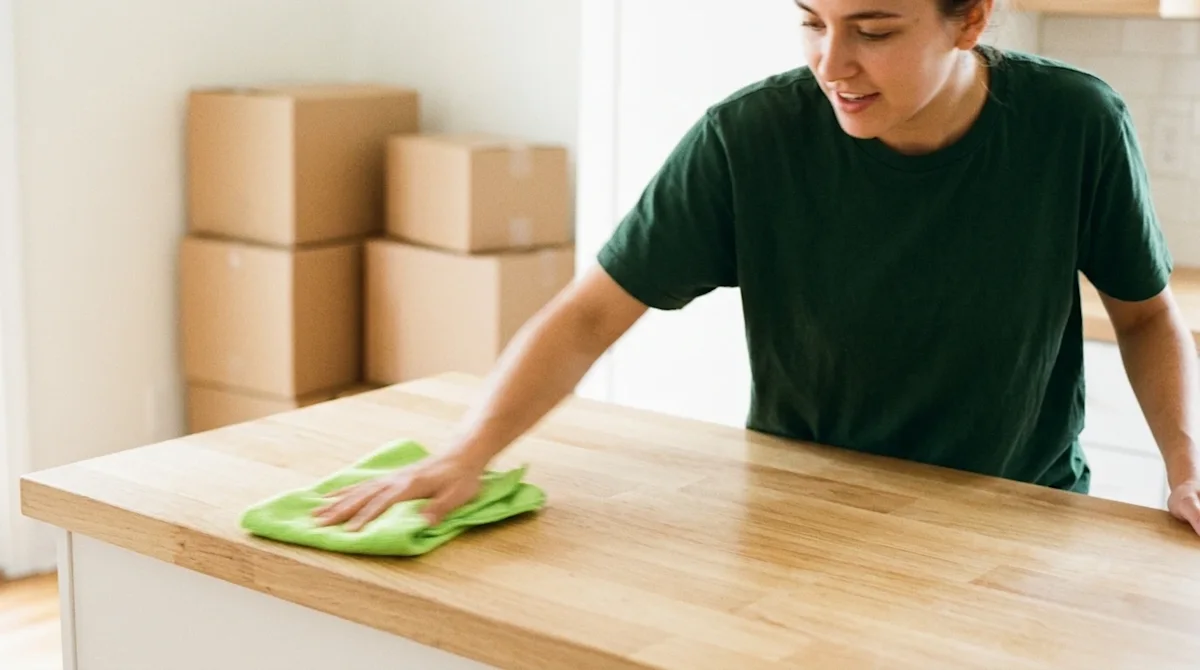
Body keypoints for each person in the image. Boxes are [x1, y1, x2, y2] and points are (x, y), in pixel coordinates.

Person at [316, 0, 1200, 537]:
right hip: (806, 513)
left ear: (970, 19)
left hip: (1017, 515)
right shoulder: (748, 139)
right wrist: (470, 450)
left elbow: (1146, 315)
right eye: (811, 22)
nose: (832, 64)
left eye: (875, 30)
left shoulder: (1073, 124)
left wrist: (1185, 464)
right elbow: (589, 314)